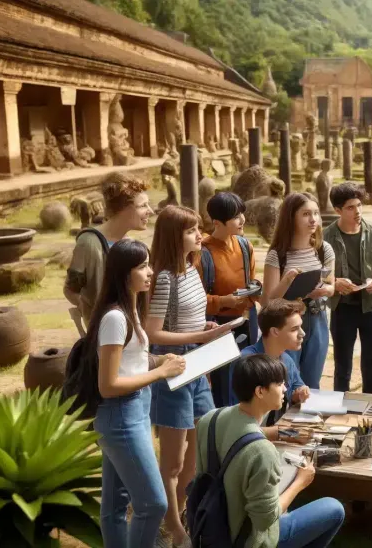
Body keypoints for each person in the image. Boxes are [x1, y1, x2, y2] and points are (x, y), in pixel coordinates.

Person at [146, 205, 239, 547]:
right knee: (172, 459)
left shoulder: (191, 268)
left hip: (199, 364)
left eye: (197, 228)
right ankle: (171, 527)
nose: (198, 235)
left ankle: (180, 510)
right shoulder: (164, 277)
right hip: (174, 365)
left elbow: (188, 321)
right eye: (190, 231)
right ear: (174, 236)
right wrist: (197, 337)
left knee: (199, 447)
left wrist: (206, 327)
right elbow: (154, 332)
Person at [89, 238, 186, 548]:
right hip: (121, 417)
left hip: (135, 412)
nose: (151, 271)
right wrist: (159, 373)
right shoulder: (115, 318)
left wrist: (160, 360)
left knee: (115, 505)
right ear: (123, 273)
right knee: (154, 504)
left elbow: (130, 363)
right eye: (143, 266)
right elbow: (108, 384)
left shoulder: (130, 310)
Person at [194, 353, 346, 548]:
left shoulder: (210, 419)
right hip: (248, 541)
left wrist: (284, 434)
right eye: (280, 383)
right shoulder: (262, 452)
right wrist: (301, 482)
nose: (285, 388)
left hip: (208, 530)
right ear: (260, 392)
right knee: (334, 508)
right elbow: (266, 521)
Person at [262, 193, 335, 389]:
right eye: (306, 214)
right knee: (286, 381)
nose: (313, 219)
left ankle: (309, 419)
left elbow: (331, 285)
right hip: (287, 323)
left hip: (318, 318)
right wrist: (288, 280)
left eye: (316, 213)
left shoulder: (323, 249)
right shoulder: (277, 255)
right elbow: (267, 301)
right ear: (291, 218)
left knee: (312, 383)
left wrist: (324, 290)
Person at [322, 183, 372, 394]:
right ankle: (340, 409)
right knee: (342, 366)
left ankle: (370, 408)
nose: (357, 211)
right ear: (338, 210)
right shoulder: (326, 237)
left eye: (359, 205)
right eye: (350, 207)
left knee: (371, 366)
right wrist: (335, 282)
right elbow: (320, 274)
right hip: (343, 308)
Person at [65, 172, 153, 324]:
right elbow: (71, 290)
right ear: (123, 209)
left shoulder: (131, 244)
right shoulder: (89, 243)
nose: (150, 211)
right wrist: (93, 313)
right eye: (143, 205)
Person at [201, 192, 260, 407]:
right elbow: (197, 299)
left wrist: (255, 290)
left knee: (248, 379)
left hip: (247, 319)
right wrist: (224, 301)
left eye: (241, 213)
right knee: (224, 386)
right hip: (220, 324)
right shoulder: (203, 252)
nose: (242, 220)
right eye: (236, 217)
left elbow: (252, 281)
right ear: (217, 223)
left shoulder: (245, 246)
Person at [238, 299, 313, 442]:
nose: (302, 333)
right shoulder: (248, 363)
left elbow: (297, 392)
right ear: (274, 331)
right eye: (294, 329)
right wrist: (288, 434)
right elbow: (240, 428)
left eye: (300, 327)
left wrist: (299, 395)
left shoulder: (287, 360)